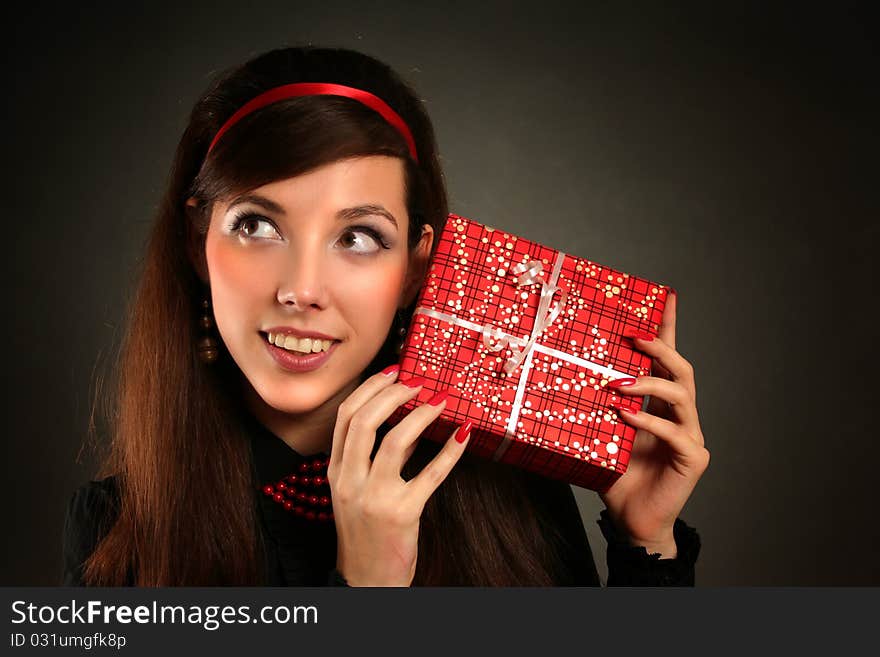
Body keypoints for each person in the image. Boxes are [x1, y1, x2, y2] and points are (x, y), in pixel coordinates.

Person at [62, 45, 709, 587]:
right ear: (197, 242)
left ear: (416, 268)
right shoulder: (116, 534)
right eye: (257, 225)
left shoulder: (518, 498)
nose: (302, 289)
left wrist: (644, 542)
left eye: (359, 237)